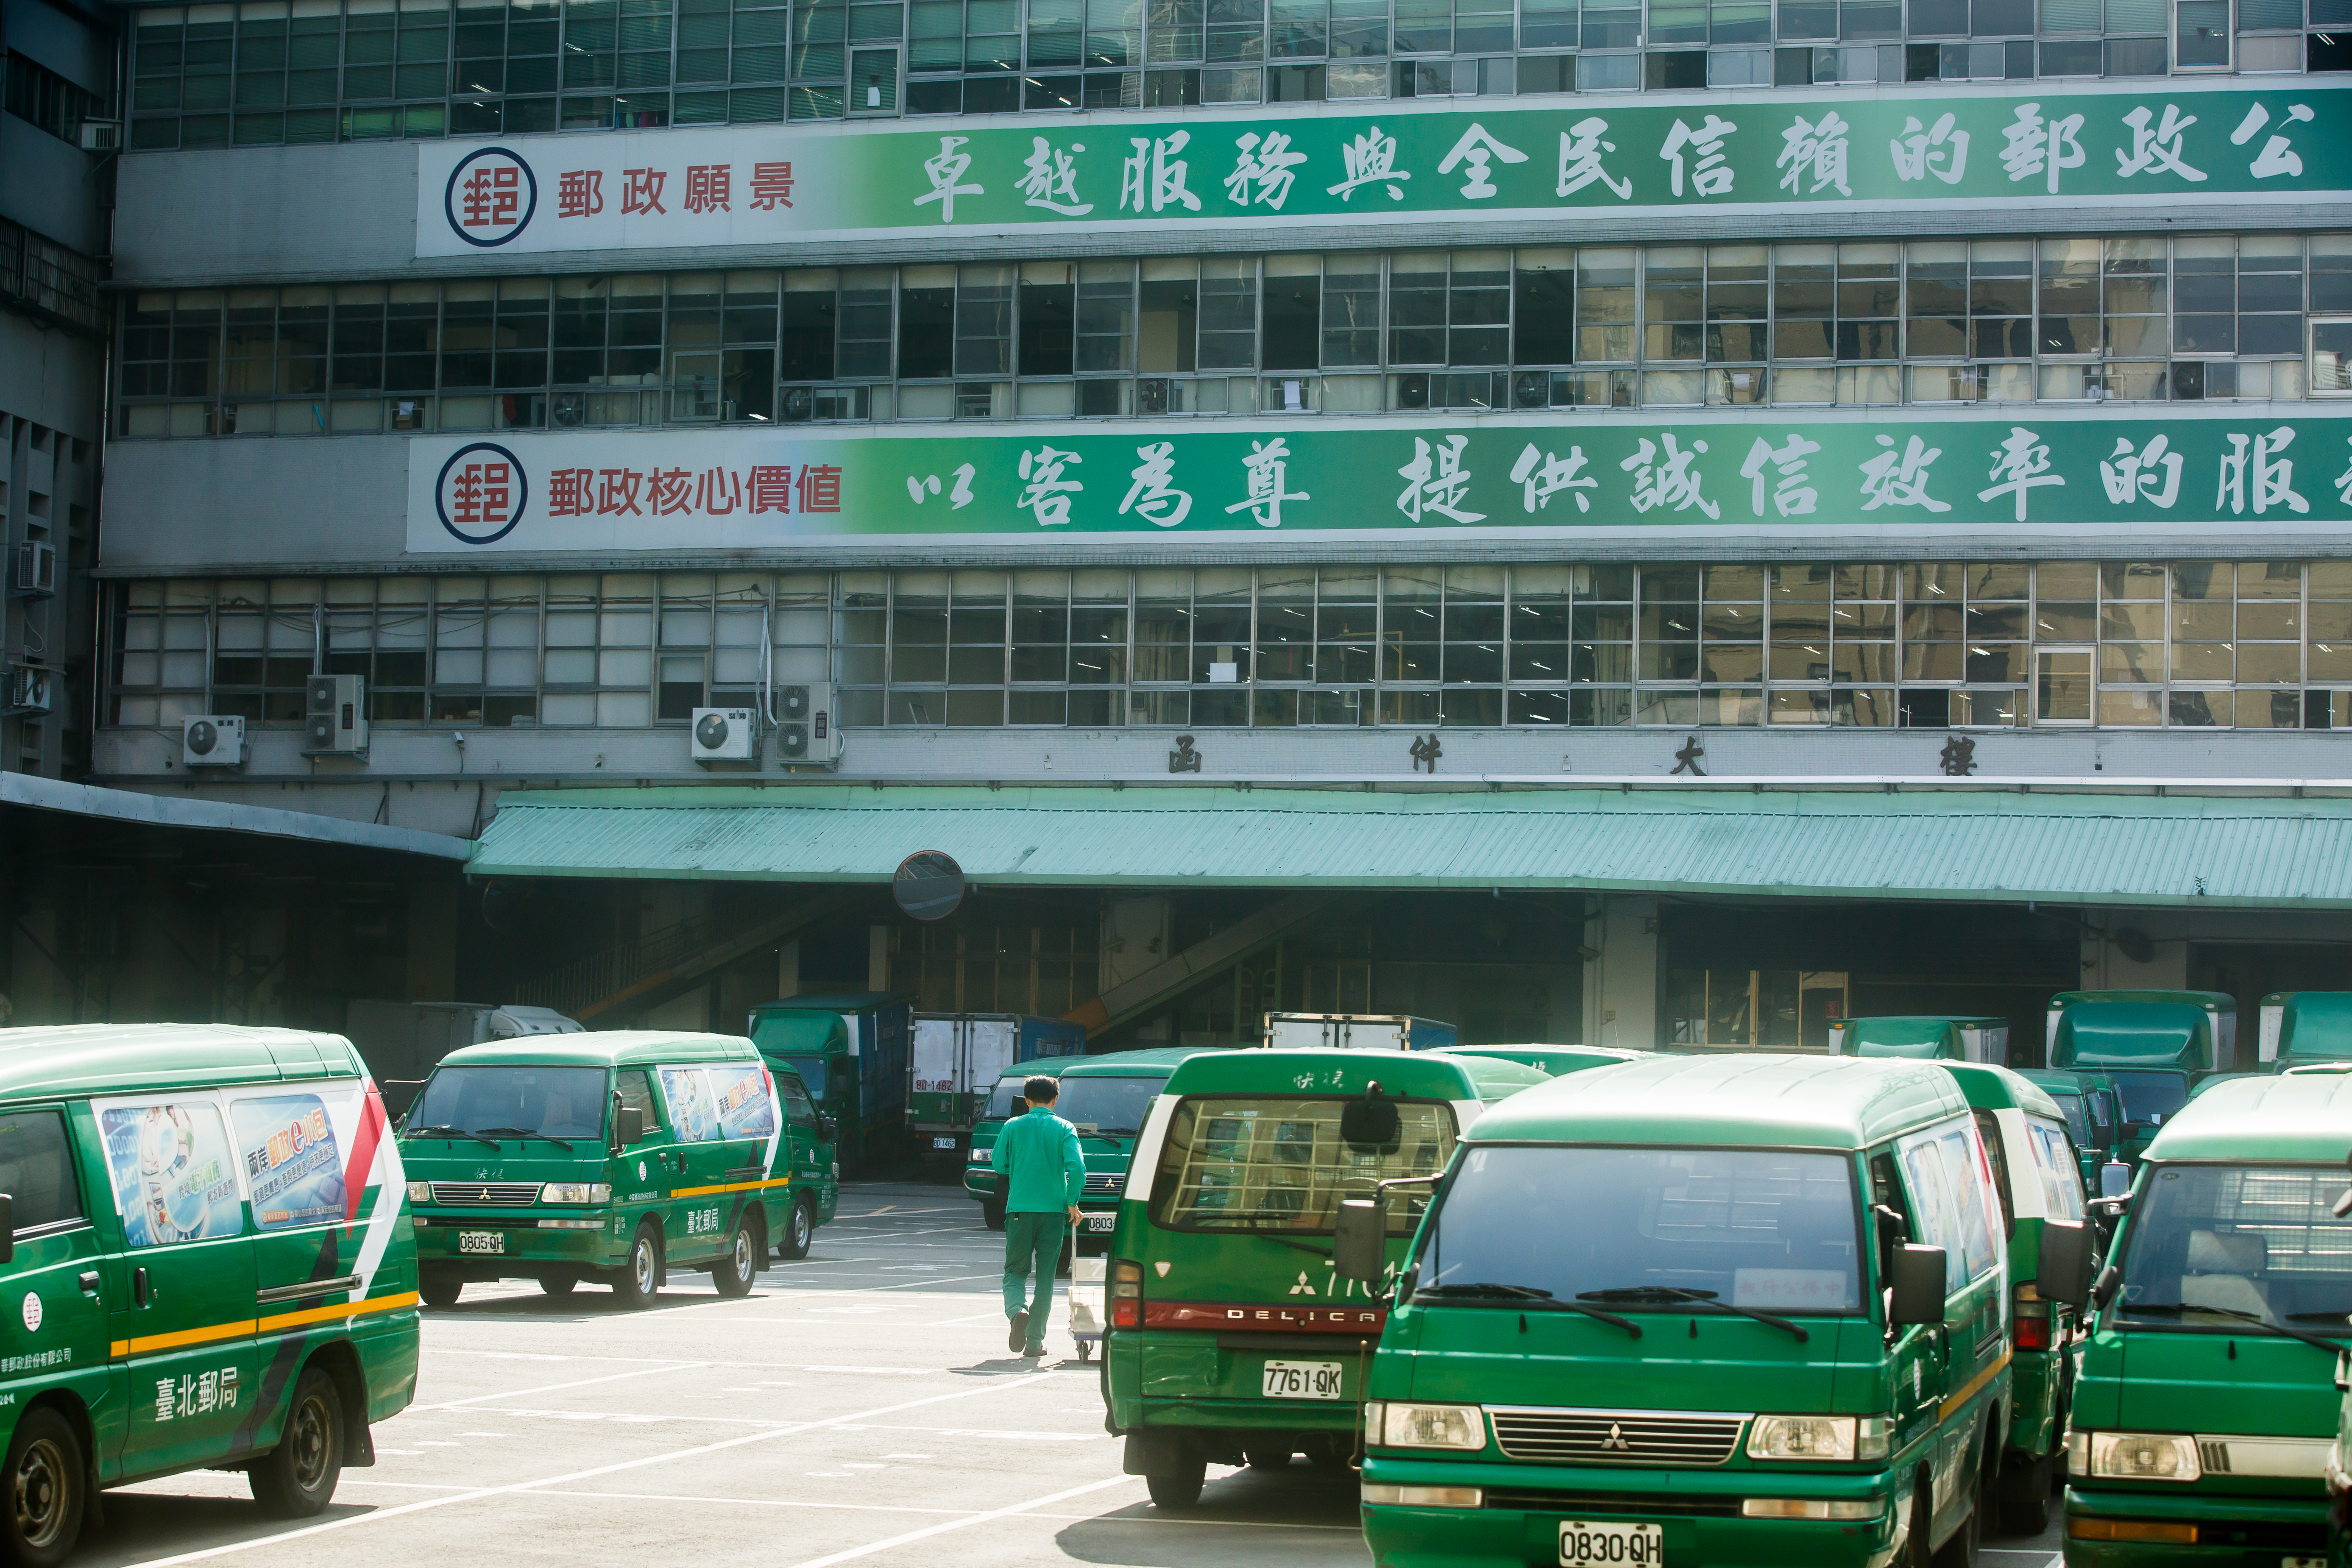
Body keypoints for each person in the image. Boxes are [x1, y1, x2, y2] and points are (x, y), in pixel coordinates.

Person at [990, 1073, 1086, 1357]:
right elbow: (1078, 1168)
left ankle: (1017, 1310)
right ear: (1056, 1099)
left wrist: (1019, 1164)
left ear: (1027, 1100)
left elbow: (998, 1163)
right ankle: (1034, 1343)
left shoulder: (1012, 1125)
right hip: (1054, 1213)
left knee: (1015, 1271)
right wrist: (1072, 1202)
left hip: (1019, 1209)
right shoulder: (1065, 1127)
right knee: (1046, 1278)